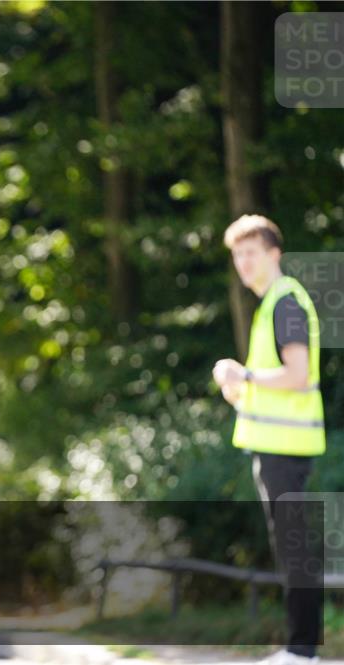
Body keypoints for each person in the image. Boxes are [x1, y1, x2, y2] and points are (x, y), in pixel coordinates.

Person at [213, 214, 325, 665]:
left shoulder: (285, 301)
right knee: (290, 545)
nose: (243, 262)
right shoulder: (272, 304)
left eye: (251, 252)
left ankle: (302, 650)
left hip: (286, 449)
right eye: (237, 254)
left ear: (274, 254)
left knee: (294, 547)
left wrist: (245, 374)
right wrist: (240, 387)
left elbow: (297, 376)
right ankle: (300, 648)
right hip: (277, 446)